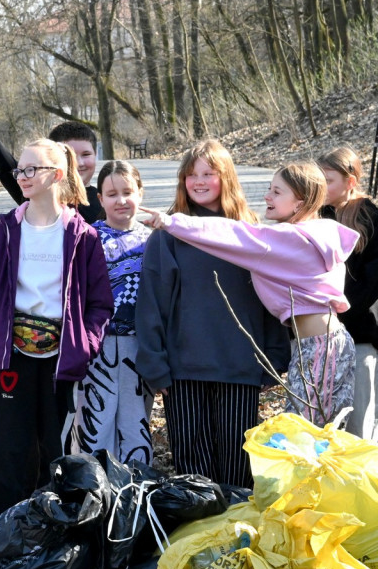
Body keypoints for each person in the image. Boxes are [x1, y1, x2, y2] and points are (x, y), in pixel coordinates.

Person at [143, 162, 358, 424]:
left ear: (300, 203)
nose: (267, 196)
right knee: (317, 439)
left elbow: (232, 233)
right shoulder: (318, 233)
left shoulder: (286, 239)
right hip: (325, 344)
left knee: (304, 439)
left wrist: (170, 221)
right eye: (269, 189)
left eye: (277, 192)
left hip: (320, 349)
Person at [135, 140, 291, 488]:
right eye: (191, 174)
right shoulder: (169, 235)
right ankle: (201, 538)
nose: (199, 181)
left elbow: (270, 297)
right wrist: (154, 365)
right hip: (183, 371)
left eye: (208, 173)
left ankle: (239, 536)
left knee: (239, 467)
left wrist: (275, 355)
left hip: (240, 368)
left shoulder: (249, 231)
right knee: (195, 472)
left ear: (227, 178)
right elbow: (152, 306)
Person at [0, 139, 112, 524]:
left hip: (61, 361)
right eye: (20, 169)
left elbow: (100, 304)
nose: (23, 176)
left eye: (33, 169)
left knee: (56, 451)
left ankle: (54, 535)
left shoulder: (82, 236)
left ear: (58, 174)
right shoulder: (4, 231)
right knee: (10, 451)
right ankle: (5, 535)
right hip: (12, 358)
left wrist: (85, 347)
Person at [70, 161, 155, 464]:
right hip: (97, 347)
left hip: (139, 347)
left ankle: (134, 492)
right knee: (95, 423)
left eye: (128, 192)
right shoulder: (88, 239)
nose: (121, 200)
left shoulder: (153, 241)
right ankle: (93, 491)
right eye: (111, 194)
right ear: (100, 199)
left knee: (136, 425)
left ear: (140, 193)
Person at [0, 74, 105, 223]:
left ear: (96, 154)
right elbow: (0, 162)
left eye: (86, 154)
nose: (78, 162)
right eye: (69, 153)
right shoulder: (36, 192)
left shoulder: (105, 200)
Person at [318, 147, 378, 438]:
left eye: (328, 180)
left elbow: (371, 281)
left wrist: (341, 310)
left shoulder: (369, 217)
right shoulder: (314, 215)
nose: (321, 186)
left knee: (359, 427)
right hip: (317, 336)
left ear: (350, 182)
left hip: (357, 334)